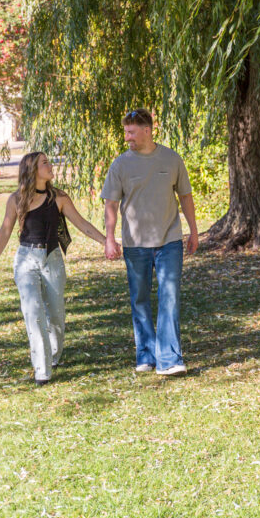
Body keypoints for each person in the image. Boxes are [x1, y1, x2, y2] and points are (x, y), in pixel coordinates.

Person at [0, 151, 115, 385]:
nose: (50, 165)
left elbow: (81, 224)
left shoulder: (60, 197)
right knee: (33, 314)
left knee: (55, 315)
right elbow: (5, 231)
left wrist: (107, 241)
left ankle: (54, 355)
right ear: (32, 169)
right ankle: (42, 371)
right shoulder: (17, 199)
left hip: (52, 258)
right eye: (45, 163)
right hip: (26, 259)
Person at [101, 108, 199, 376]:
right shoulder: (120, 164)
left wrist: (193, 230)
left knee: (170, 297)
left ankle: (169, 359)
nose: (127, 137)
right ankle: (146, 354)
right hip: (135, 245)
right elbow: (110, 204)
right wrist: (110, 239)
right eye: (125, 132)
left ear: (147, 130)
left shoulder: (171, 159)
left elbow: (186, 196)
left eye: (131, 132)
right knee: (140, 299)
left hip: (169, 241)